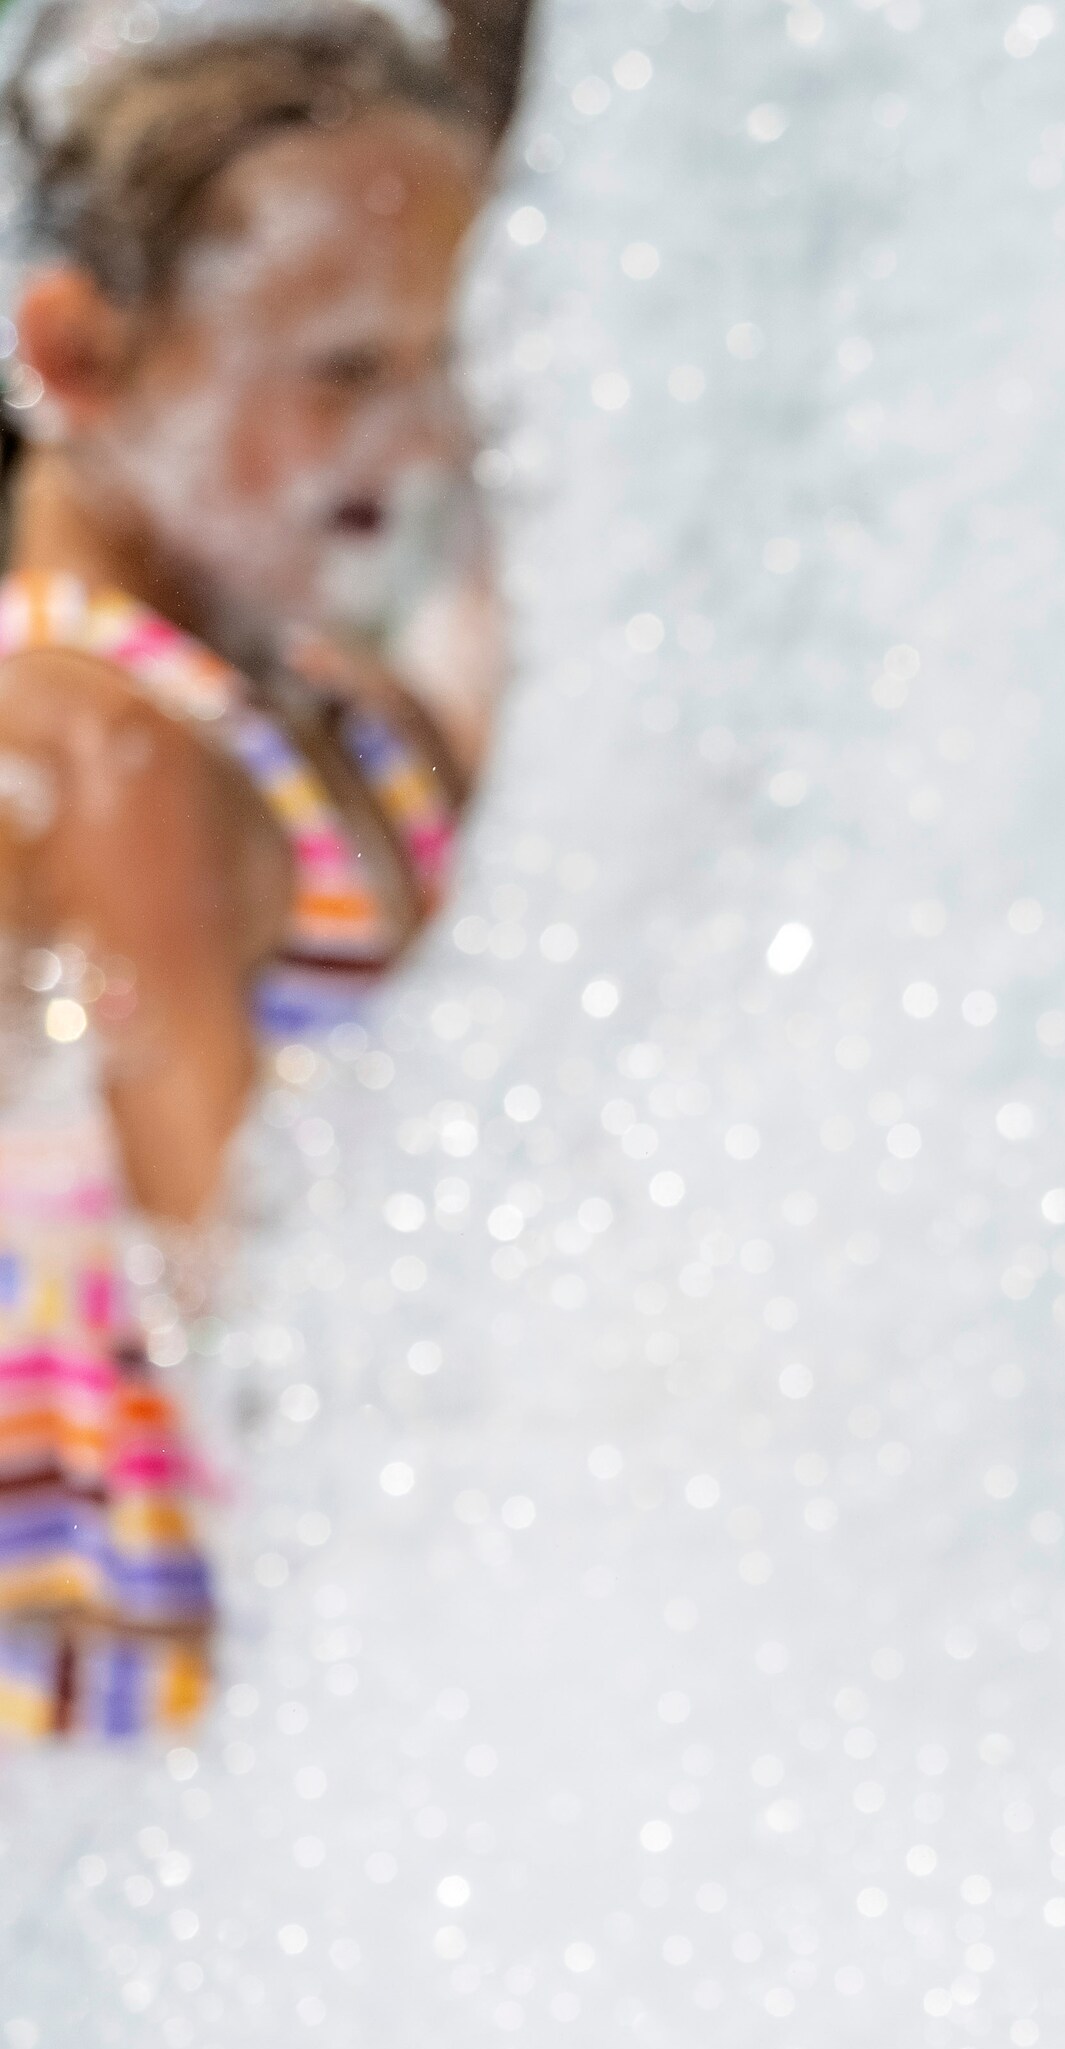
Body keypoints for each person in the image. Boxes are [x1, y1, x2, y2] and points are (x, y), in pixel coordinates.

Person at [0, 7, 481, 1739]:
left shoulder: (309, 702)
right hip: (124, 1689)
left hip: (231, 1726)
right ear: (75, 354)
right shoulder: (94, 747)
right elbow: (227, 1305)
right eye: (343, 369)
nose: (419, 437)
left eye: (446, 359)